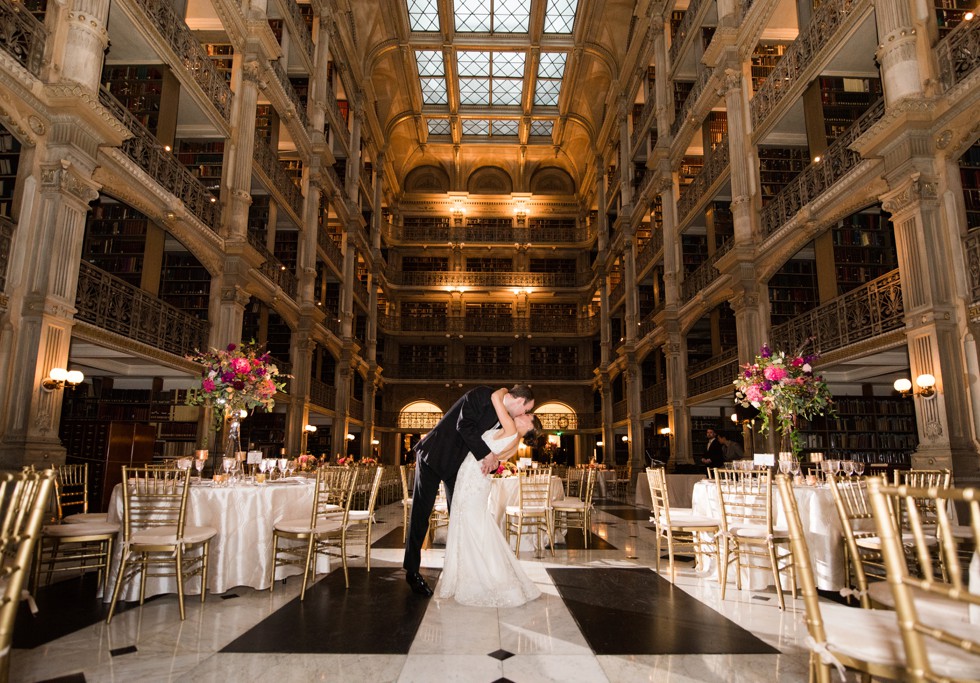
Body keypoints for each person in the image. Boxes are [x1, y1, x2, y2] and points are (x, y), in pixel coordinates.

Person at [403, 384, 534, 597]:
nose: (525, 414)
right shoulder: (481, 395)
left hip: (457, 469)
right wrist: (486, 455)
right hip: (434, 456)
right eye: (526, 409)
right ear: (519, 401)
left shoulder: (502, 416)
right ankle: (411, 570)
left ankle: (460, 573)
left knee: (460, 518)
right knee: (421, 513)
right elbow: (464, 425)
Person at [437, 388, 543, 606]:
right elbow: (495, 461)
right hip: (476, 479)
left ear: (529, 427)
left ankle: (480, 577)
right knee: (473, 524)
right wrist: (490, 459)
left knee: (470, 524)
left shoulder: (511, 428)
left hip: (472, 479)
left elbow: (496, 396)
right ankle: (476, 574)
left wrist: (508, 390)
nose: (523, 414)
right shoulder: (514, 443)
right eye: (526, 411)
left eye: (528, 415)